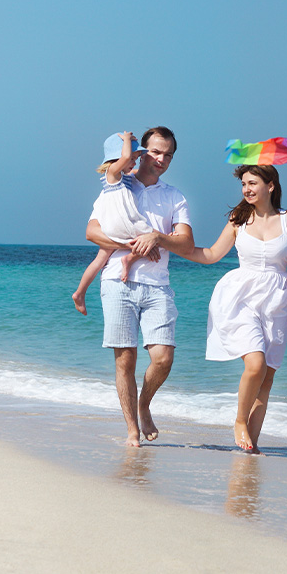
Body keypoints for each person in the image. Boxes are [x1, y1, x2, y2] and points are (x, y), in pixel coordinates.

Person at [180, 165, 287, 454]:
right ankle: (240, 421)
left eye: (252, 183)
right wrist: (170, 244)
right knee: (255, 364)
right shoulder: (238, 219)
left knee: (268, 376)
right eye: (243, 185)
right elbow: (212, 254)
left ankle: (251, 445)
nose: (246, 189)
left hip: (278, 300)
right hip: (241, 297)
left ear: (271, 186)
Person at [86, 126, 194, 447]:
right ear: (141, 151)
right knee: (125, 359)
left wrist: (157, 237)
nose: (161, 159)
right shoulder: (116, 186)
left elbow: (186, 244)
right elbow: (92, 232)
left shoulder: (175, 196)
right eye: (156, 152)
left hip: (158, 286)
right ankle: (132, 428)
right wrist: (130, 245)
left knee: (163, 358)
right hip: (117, 283)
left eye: (168, 155)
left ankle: (144, 403)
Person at [73, 131, 151, 315]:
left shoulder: (125, 176)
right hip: (121, 223)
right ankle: (129, 258)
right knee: (152, 237)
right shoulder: (113, 173)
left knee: (100, 259)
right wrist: (125, 140)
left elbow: (137, 170)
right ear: (117, 158)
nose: (133, 162)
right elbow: (124, 157)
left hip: (111, 226)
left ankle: (80, 292)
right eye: (132, 159)